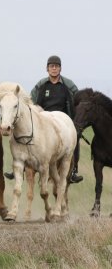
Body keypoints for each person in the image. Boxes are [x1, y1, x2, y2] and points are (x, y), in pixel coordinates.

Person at [29, 55, 82, 183]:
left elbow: (79, 100)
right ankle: (23, 166)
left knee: (76, 136)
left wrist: (76, 119)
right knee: (26, 134)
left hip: (63, 122)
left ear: (60, 69)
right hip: (43, 121)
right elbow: (30, 101)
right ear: (47, 69)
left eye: (56, 66)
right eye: (51, 66)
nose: (54, 68)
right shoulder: (41, 85)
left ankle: (74, 170)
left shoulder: (68, 85)